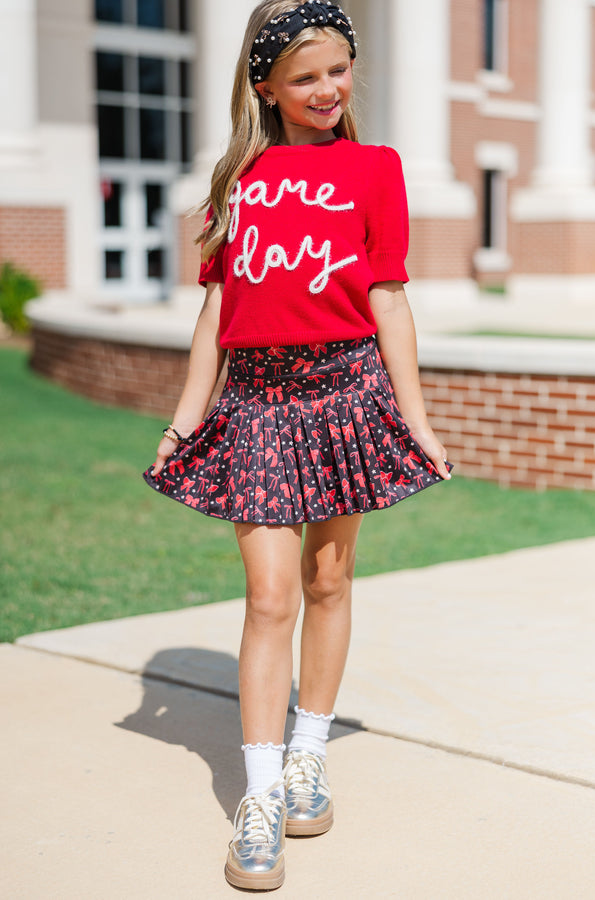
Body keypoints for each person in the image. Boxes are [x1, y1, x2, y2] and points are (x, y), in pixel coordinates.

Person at [144, 0, 451, 891]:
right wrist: (184, 420)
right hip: (261, 405)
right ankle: (263, 793)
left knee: (328, 578)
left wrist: (417, 419)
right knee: (270, 596)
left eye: (338, 70)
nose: (327, 89)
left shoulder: (376, 169)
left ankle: (310, 751)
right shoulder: (237, 180)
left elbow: (389, 299)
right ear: (266, 86)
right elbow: (214, 315)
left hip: (347, 393)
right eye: (305, 75)